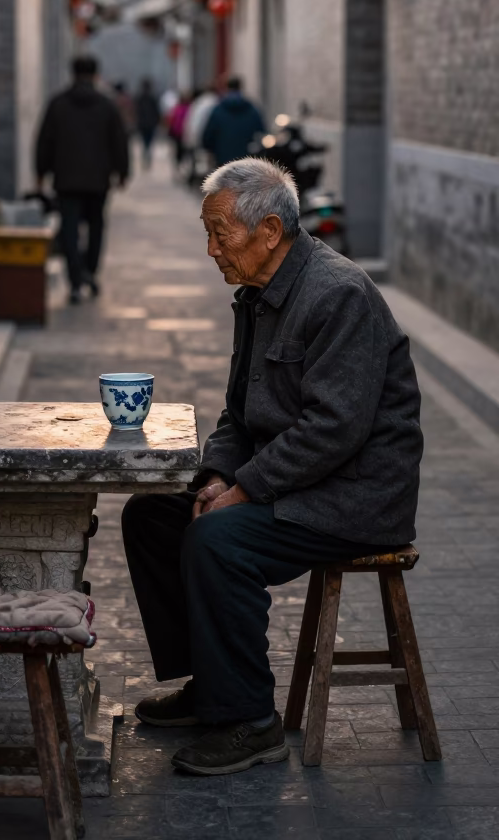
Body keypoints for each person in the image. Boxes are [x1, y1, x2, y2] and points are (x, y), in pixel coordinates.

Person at [122, 156, 422, 776]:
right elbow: (238, 414)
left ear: (269, 232)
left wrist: (244, 491)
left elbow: (334, 429)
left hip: (353, 496)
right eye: (207, 233)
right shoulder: (258, 297)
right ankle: (214, 684)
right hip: (295, 482)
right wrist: (216, 476)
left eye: (220, 234)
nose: (211, 250)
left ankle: (250, 720)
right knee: (152, 515)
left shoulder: (337, 294)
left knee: (218, 539)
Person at [35, 55, 129, 304]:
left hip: (66, 179)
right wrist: (122, 172)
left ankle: (75, 281)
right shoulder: (107, 105)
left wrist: (41, 172)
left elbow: (45, 141)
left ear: (72, 73)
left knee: (69, 229)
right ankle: (90, 270)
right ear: (96, 75)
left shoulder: (57, 104)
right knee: (96, 225)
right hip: (98, 180)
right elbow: (119, 141)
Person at [202, 76, 266, 167]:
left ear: (226, 88)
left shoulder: (218, 110)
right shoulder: (252, 110)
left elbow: (207, 137)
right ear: (240, 87)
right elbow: (262, 133)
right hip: (246, 160)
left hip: (223, 161)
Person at [134, 78, 161, 169]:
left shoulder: (139, 98)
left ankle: (145, 157)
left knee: (145, 143)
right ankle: (147, 157)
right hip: (150, 124)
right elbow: (156, 112)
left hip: (142, 124)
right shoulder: (152, 98)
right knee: (149, 143)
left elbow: (136, 111)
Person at [167, 92, 192, 175]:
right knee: (181, 151)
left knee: (180, 151)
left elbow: (172, 120)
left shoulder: (178, 108)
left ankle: (180, 165)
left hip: (179, 133)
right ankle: (181, 165)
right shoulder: (188, 108)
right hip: (182, 133)